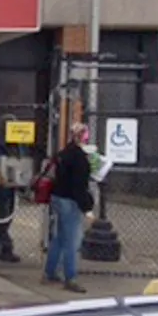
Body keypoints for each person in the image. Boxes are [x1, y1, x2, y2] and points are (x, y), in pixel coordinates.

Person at [44, 121, 95, 293]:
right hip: (71, 201)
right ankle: (70, 278)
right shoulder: (79, 158)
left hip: (58, 196)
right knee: (73, 240)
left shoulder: (64, 153)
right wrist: (87, 208)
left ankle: (50, 272)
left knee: (60, 236)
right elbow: (78, 186)